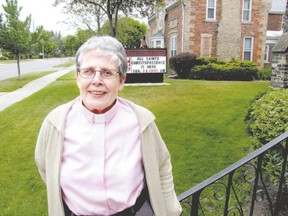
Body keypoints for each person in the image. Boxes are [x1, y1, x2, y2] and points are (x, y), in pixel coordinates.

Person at [35, 35, 182, 216]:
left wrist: (172, 210)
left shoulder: (142, 122)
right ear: (77, 77)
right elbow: (45, 167)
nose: (97, 80)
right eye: (88, 71)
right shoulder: (55, 123)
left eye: (107, 72)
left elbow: (162, 166)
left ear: (121, 81)